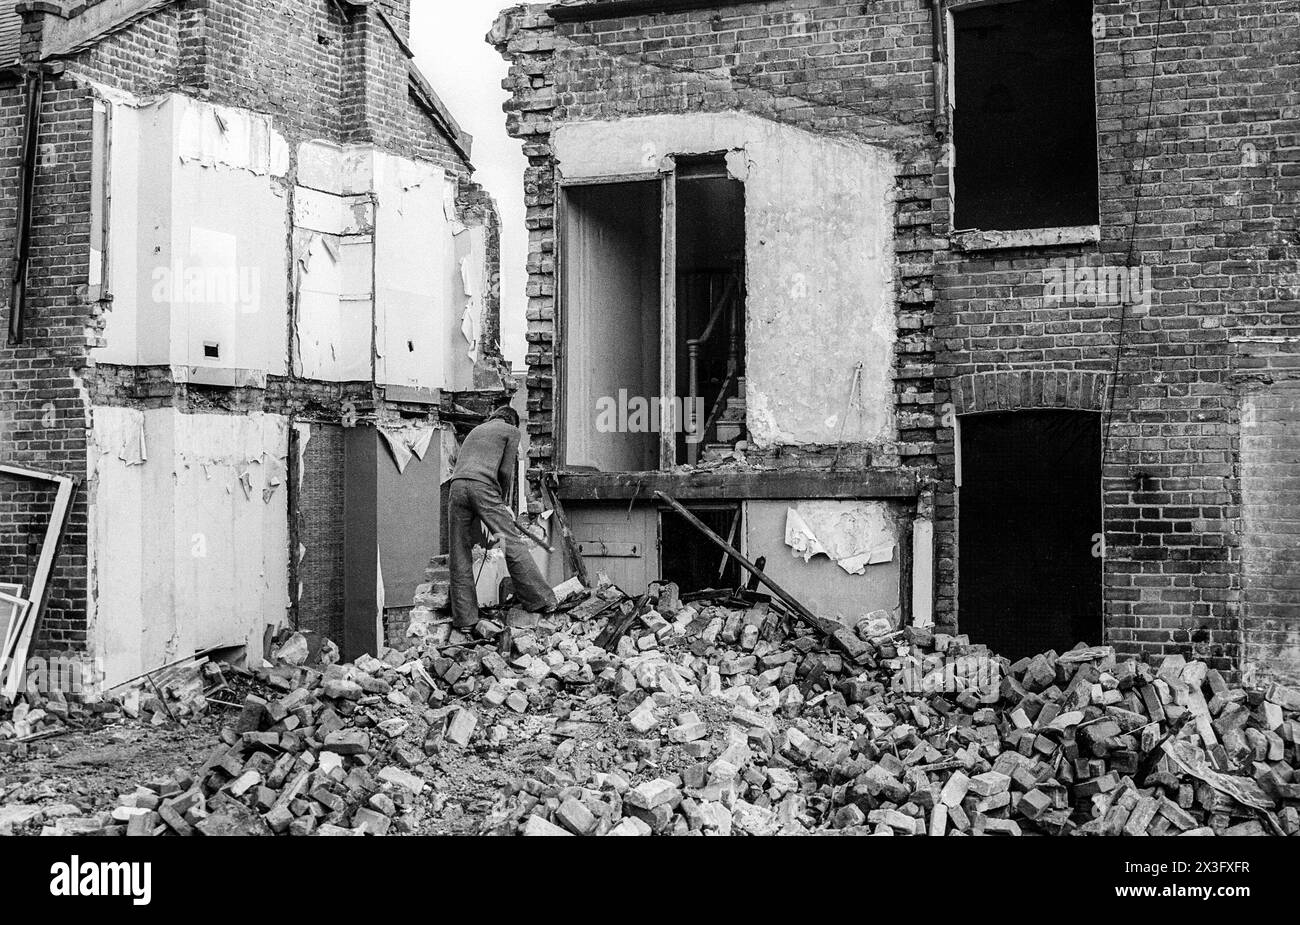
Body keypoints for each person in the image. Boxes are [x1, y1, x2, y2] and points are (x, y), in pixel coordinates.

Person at [446, 406, 556, 628]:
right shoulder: (511, 431)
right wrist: (503, 502)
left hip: (456, 488)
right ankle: (540, 600)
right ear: (513, 421)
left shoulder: (476, 430)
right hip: (484, 488)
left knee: (459, 553)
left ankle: (465, 619)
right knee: (510, 543)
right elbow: (506, 472)